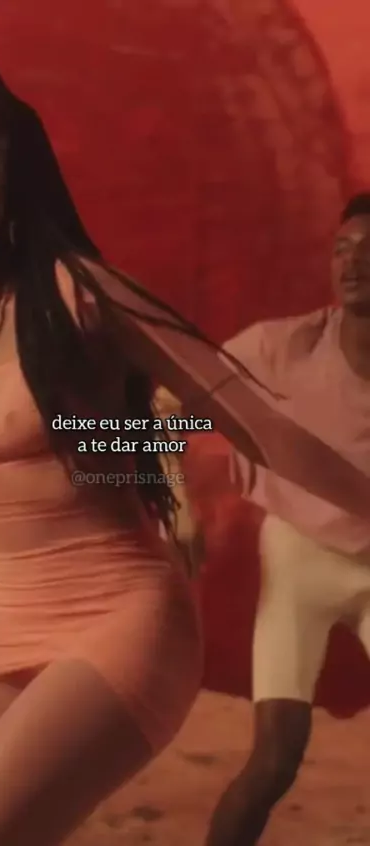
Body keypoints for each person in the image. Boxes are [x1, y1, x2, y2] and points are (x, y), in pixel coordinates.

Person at [0, 55, 370, 846]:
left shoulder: (79, 294)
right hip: (1, 635)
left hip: (116, 621)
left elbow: (259, 424)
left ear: (11, 181)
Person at [205, 192, 370, 846]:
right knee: (275, 758)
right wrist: (171, 492)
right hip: (300, 559)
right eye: (343, 250)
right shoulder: (282, 348)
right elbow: (174, 402)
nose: (353, 263)